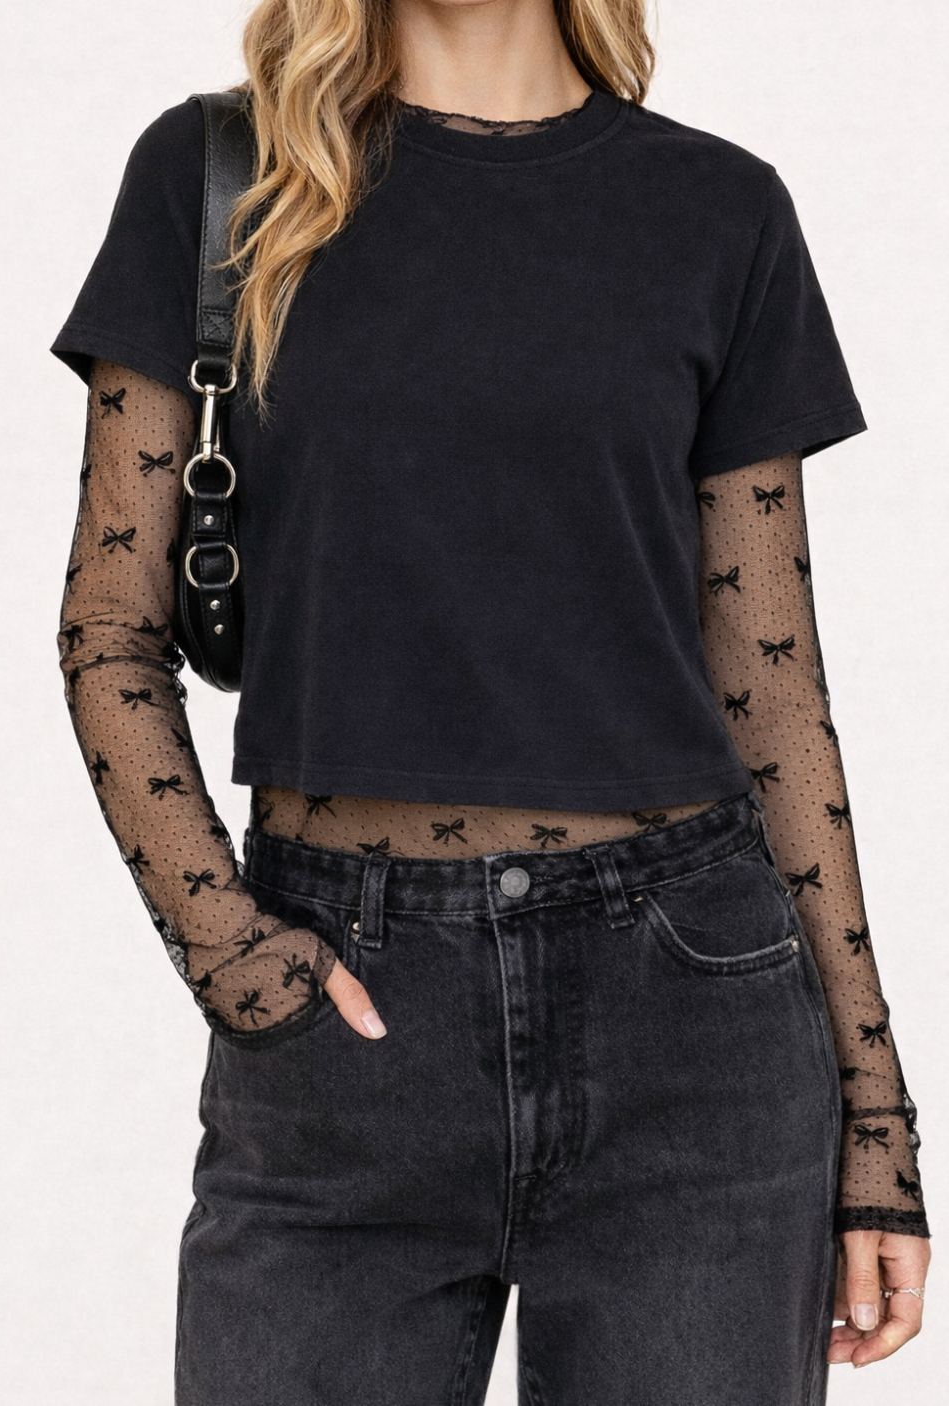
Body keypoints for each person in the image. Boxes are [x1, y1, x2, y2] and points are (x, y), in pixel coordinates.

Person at [52, 0, 931, 1400]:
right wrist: (236, 953)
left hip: (692, 1027)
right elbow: (110, 630)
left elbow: (773, 694)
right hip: (342, 1037)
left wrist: (875, 1123)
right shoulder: (220, 180)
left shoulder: (719, 210)